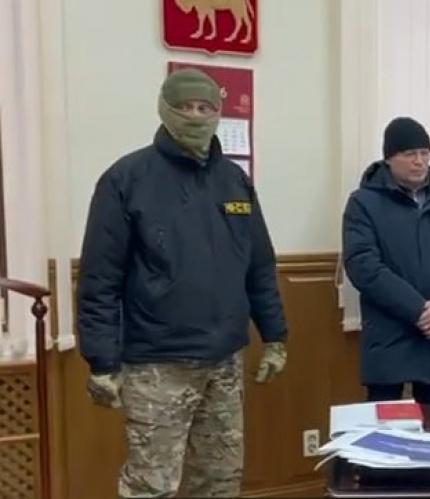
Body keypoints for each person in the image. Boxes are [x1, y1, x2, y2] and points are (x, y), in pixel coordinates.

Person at [77, 68, 288, 498]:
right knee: (151, 486)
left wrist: (276, 338)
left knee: (219, 482)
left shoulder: (234, 181)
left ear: (218, 113)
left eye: (205, 107)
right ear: (164, 109)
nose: (195, 116)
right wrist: (101, 361)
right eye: (185, 107)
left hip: (224, 362)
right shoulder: (125, 179)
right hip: (157, 365)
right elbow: (100, 280)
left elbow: (259, 267)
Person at [342, 117, 430, 404]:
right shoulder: (363, 203)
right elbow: (363, 266)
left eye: (425, 153)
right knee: (384, 426)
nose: (419, 161)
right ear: (389, 158)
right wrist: (418, 310)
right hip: (389, 335)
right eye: (409, 154)